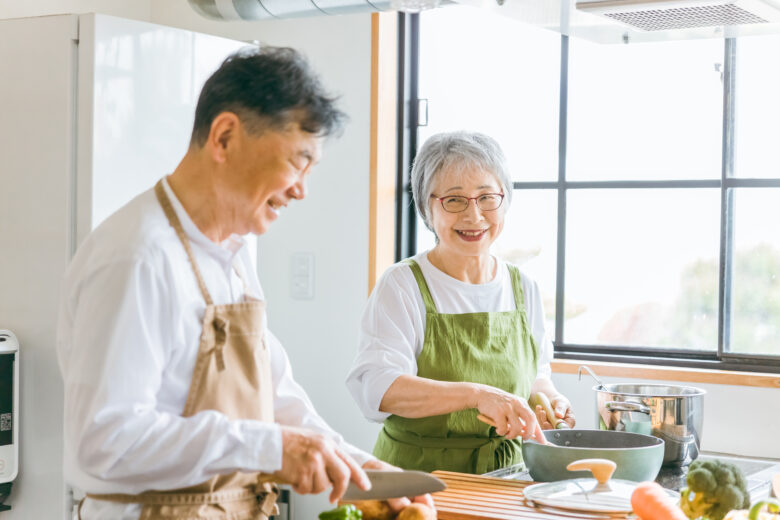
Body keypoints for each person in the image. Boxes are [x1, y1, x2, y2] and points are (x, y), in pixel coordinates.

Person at [57, 47, 432, 520]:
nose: (302, 189)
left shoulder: (236, 252)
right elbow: (104, 440)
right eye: (299, 161)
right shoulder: (136, 257)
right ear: (225, 136)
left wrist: (354, 465)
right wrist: (272, 448)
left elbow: (272, 394)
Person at [346, 131, 576, 475]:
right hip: (419, 478)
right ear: (427, 206)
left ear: (504, 200)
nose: (474, 215)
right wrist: (476, 395)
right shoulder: (402, 285)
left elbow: (535, 375)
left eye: (487, 197)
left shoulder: (523, 287)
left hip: (508, 476)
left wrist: (548, 401)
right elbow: (379, 390)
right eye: (454, 200)